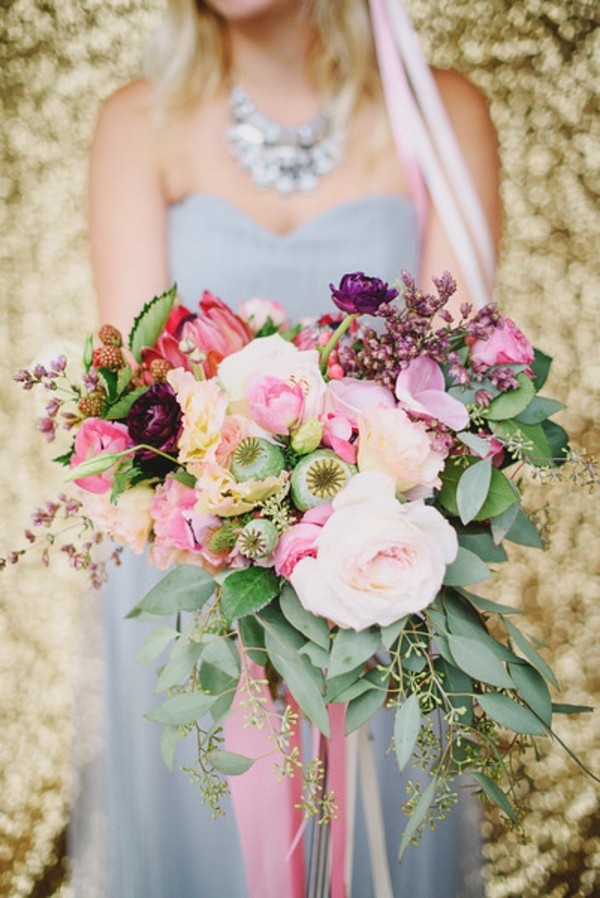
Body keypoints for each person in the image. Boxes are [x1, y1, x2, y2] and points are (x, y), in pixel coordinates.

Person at [75, 1, 502, 896]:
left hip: (384, 573)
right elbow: (135, 401)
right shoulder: (136, 121)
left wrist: (351, 522)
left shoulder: (442, 113)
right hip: (198, 575)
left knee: (381, 837)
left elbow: (459, 397)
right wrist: (247, 514)